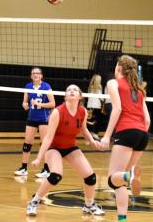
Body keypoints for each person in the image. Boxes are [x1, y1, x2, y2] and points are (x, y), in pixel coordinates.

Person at [26, 84, 105, 216]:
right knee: (56, 175)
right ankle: (34, 202)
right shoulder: (58, 112)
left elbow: (83, 129)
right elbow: (48, 137)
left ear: (80, 96)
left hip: (70, 147)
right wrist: (39, 157)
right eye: (68, 90)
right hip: (54, 148)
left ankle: (89, 205)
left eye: (75, 90)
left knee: (91, 177)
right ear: (65, 96)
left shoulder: (82, 111)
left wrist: (92, 141)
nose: (72, 91)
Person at [100, 55, 150, 222]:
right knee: (119, 182)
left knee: (112, 178)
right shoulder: (138, 89)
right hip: (142, 134)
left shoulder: (113, 83)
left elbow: (117, 108)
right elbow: (148, 120)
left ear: (119, 68)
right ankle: (122, 218)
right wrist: (138, 132)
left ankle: (130, 175)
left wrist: (107, 136)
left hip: (127, 132)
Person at [14, 67, 55, 178]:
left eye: (37, 73)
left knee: (44, 143)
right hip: (32, 117)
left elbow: (52, 104)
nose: (35, 75)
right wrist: (25, 105)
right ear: (31, 76)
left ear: (41, 76)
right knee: (27, 143)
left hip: (43, 119)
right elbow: (24, 102)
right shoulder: (28, 86)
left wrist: (40, 105)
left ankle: (46, 169)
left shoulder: (46, 86)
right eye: (33, 73)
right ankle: (23, 168)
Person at [87, 74, 103, 140]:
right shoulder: (99, 86)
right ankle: (95, 135)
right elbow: (101, 98)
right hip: (96, 106)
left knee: (90, 121)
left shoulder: (90, 86)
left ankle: (90, 135)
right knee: (97, 121)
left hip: (90, 106)